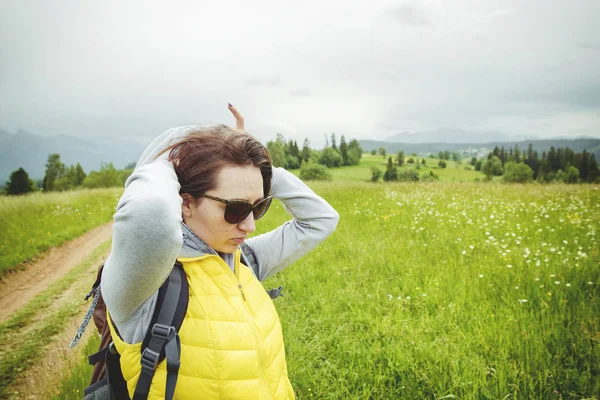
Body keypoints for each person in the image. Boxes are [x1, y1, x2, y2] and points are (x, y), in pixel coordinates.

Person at [101, 105, 339, 399]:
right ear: (185, 202)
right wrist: (179, 152)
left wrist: (251, 163)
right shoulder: (147, 284)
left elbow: (321, 220)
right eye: (236, 209)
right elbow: (152, 216)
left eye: (258, 206)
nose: (250, 225)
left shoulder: (245, 261)